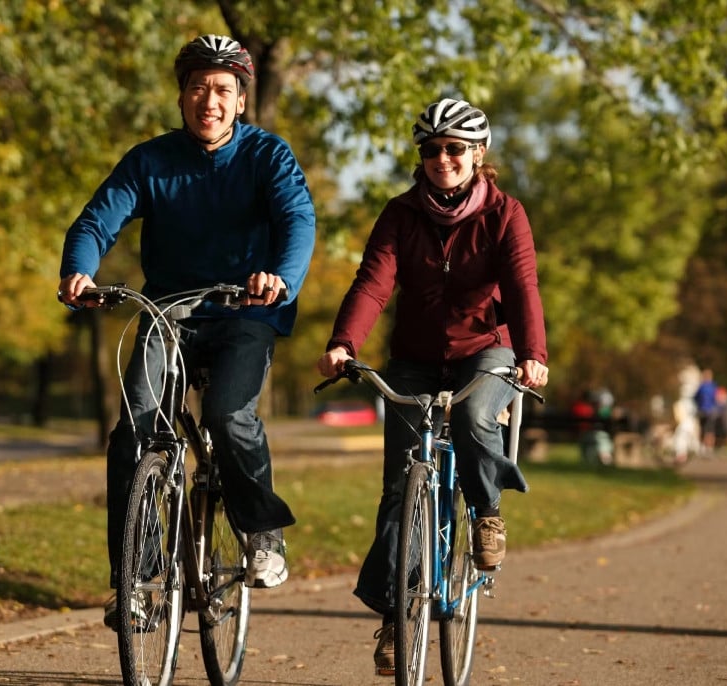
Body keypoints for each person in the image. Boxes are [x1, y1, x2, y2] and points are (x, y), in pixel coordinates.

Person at [58, 34, 317, 629]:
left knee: (230, 416)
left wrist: (280, 277)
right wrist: (79, 269)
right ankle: (134, 584)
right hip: (168, 311)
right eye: (198, 88)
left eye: (223, 90)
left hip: (245, 311)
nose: (210, 100)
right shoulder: (150, 160)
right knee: (134, 433)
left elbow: (298, 221)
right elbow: (99, 219)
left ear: (241, 101)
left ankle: (262, 534)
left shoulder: (268, 157)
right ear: (181, 96)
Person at [316, 98, 548, 677]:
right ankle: (395, 616)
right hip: (415, 359)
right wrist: (346, 342)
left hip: (486, 350)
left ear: (477, 154)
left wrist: (532, 355)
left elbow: (522, 288)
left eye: (454, 148)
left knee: (473, 423)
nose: (442, 159)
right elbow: (374, 283)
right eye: (431, 149)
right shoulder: (400, 214)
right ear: (420, 156)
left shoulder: (504, 213)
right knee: (399, 486)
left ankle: (487, 511)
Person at [694, 368, 720, 455]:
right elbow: (717, 399)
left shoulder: (701, 387)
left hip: (702, 411)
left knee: (703, 429)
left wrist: (699, 405)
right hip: (711, 411)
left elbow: (695, 398)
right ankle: (709, 448)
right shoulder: (713, 386)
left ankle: (703, 448)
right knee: (710, 430)